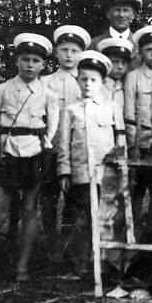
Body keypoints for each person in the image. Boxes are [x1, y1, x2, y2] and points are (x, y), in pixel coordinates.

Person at [0, 34, 58, 288]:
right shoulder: (0, 90)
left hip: (35, 154)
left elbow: (52, 126)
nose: (29, 65)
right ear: (17, 61)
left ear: (43, 65)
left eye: (36, 61)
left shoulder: (48, 94)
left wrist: (43, 144)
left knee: (29, 211)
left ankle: (22, 267)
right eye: (25, 59)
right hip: (9, 153)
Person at [58, 50, 125, 275]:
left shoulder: (111, 107)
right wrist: (65, 171)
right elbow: (64, 144)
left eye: (93, 80)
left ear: (102, 82)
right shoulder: (70, 110)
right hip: (81, 173)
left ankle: (105, 261)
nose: (88, 84)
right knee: (81, 219)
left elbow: (119, 140)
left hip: (105, 173)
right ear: (77, 80)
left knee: (106, 215)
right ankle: (81, 261)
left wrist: (119, 165)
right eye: (84, 79)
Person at [40, 25, 91, 259]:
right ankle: (51, 245)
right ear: (56, 53)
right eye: (64, 50)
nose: (69, 55)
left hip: (76, 149)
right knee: (49, 197)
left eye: (74, 50)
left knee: (74, 199)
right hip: (50, 148)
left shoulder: (86, 82)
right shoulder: (45, 82)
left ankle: (71, 247)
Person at [124, 25, 152, 154]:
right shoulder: (132, 77)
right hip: (142, 142)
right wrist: (133, 145)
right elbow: (129, 113)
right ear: (141, 52)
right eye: (148, 50)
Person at [98, 37, 133, 113]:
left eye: (123, 63)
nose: (120, 66)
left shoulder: (126, 86)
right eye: (115, 62)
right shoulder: (97, 86)